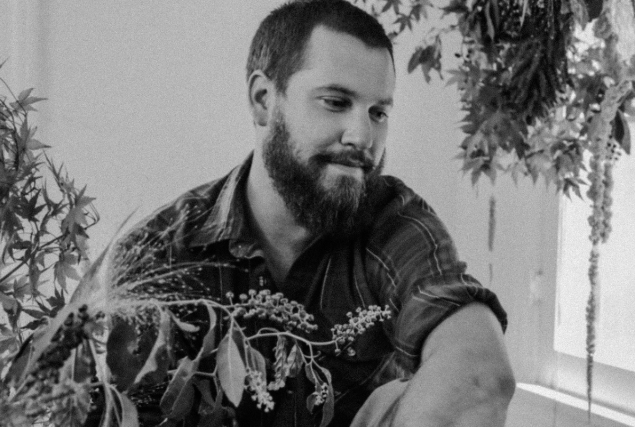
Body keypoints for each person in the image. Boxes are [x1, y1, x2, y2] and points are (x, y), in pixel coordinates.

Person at [105, 0, 515, 425]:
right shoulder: (158, 254)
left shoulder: (393, 222)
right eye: (335, 102)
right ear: (263, 100)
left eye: (378, 113)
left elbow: (480, 379)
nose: (363, 136)